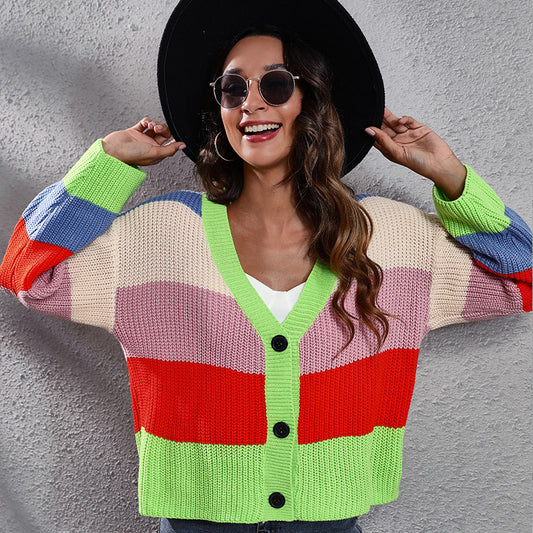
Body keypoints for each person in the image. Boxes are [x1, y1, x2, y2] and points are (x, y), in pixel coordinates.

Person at [0, 1, 530, 532]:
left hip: (330, 523)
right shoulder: (159, 235)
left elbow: (522, 276)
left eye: (275, 85)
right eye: (233, 89)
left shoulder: (391, 239)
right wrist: (108, 165)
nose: (250, 104)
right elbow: (28, 273)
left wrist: (450, 177)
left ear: (311, 99)